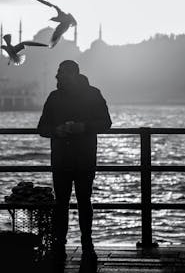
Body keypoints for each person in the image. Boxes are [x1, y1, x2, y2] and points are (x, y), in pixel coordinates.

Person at [37, 60, 112, 265]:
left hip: (78, 159)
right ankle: (65, 245)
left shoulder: (91, 94)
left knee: (81, 202)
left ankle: (81, 245)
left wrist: (83, 127)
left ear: (72, 75)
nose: (57, 76)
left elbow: (106, 123)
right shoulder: (56, 97)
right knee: (64, 204)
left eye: (61, 73)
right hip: (70, 159)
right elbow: (42, 127)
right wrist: (57, 130)